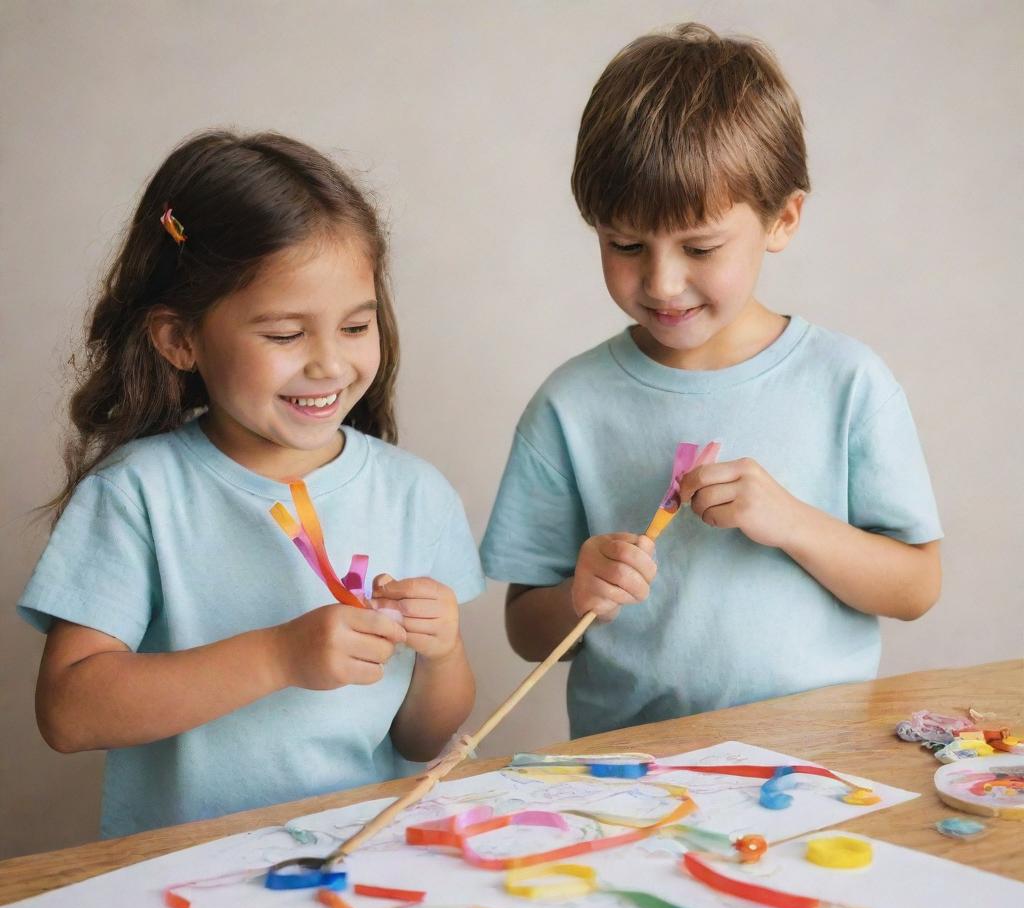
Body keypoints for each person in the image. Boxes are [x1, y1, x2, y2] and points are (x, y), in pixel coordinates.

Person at [481, 24, 942, 739]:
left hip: (818, 758)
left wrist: (792, 523)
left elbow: (916, 589)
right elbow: (525, 632)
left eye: (700, 247)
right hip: (630, 771)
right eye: (624, 244)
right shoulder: (570, 406)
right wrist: (580, 593)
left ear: (782, 218)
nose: (662, 282)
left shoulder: (848, 382)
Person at [19, 131, 483, 836]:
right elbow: (69, 713)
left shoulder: (416, 494)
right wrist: (278, 656)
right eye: (285, 334)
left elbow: (422, 740)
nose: (330, 365)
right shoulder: (136, 496)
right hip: (178, 882)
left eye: (356, 325)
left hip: (358, 866)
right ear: (180, 340)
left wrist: (442, 651)